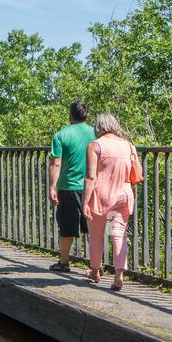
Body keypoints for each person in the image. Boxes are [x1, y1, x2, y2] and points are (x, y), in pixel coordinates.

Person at [83, 113, 141, 291]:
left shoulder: (95, 146)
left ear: (98, 127)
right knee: (119, 235)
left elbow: (91, 177)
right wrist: (133, 195)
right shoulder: (129, 146)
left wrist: (85, 202)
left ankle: (95, 270)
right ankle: (119, 275)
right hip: (124, 194)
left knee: (96, 235)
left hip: (102, 196)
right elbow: (135, 175)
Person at [48, 100, 95, 272]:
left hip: (69, 186)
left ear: (70, 116)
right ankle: (95, 265)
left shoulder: (61, 135)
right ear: (86, 115)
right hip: (93, 186)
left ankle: (64, 262)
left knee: (67, 225)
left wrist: (52, 187)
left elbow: (56, 164)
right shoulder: (96, 133)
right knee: (92, 226)